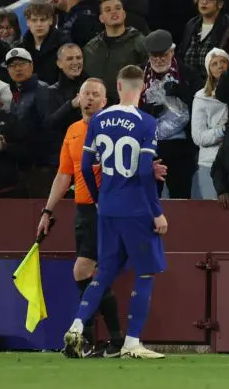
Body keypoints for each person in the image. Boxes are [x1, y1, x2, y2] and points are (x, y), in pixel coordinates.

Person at [63, 65, 168, 359]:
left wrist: (98, 199)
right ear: (142, 88)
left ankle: (74, 327)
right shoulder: (146, 122)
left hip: (106, 208)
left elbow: (85, 167)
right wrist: (156, 212)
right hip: (136, 209)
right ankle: (132, 343)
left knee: (104, 272)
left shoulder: (98, 120)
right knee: (146, 272)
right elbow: (146, 170)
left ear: (118, 87)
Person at [37, 78, 125, 357]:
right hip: (82, 210)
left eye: (95, 94)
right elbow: (65, 174)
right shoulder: (73, 131)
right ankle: (110, 340)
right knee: (94, 275)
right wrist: (47, 211)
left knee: (82, 271)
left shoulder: (113, 131)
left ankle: (90, 338)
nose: (89, 99)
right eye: (85, 93)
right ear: (78, 98)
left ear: (105, 101)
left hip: (106, 210)